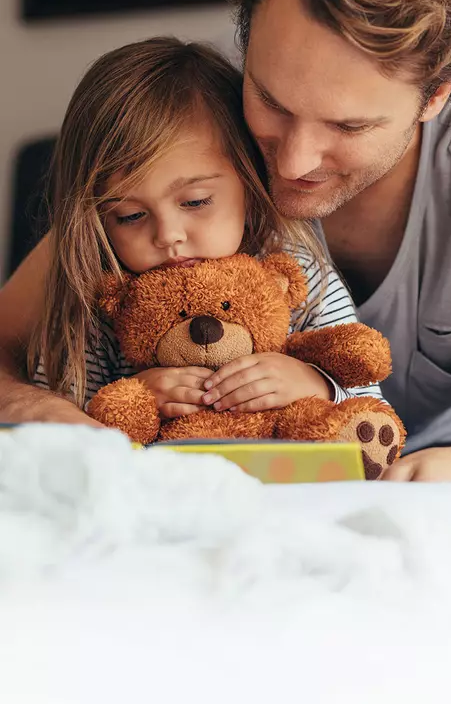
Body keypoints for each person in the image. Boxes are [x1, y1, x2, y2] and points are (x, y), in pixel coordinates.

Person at [0, 0, 451, 483]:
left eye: (348, 125)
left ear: (436, 95)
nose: (292, 163)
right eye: (270, 101)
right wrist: (33, 406)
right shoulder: (194, 113)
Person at [10, 37, 384, 424]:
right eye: (130, 216)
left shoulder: (299, 276)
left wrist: (314, 384)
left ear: (250, 181)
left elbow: (372, 411)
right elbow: (61, 433)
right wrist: (132, 400)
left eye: (195, 202)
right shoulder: (102, 304)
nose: (167, 235)